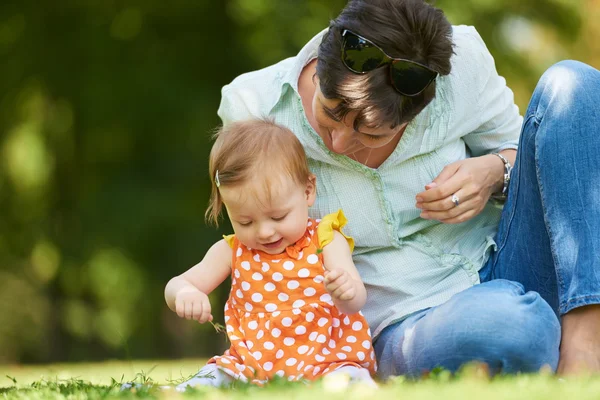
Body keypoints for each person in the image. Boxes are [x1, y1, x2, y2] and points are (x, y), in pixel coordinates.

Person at [213, 0, 600, 378]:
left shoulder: (464, 66)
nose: (339, 144)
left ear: (416, 112)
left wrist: (494, 169)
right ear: (318, 72)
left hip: (507, 257)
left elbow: (544, 157)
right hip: (407, 318)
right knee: (512, 329)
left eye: (370, 133)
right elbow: (259, 243)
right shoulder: (253, 106)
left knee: (574, 85)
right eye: (330, 114)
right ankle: (534, 335)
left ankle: (584, 339)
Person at [165, 119, 377, 388]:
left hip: (327, 360)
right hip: (251, 365)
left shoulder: (325, 239)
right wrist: (185, 294)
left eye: (278, 216)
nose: (264, 232)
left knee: (346, 382)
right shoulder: (232, 251)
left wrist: (345, 290)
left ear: (307, 191)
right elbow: (177, 284)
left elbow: (355, 302)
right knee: (208, 380)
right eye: (245, 222)